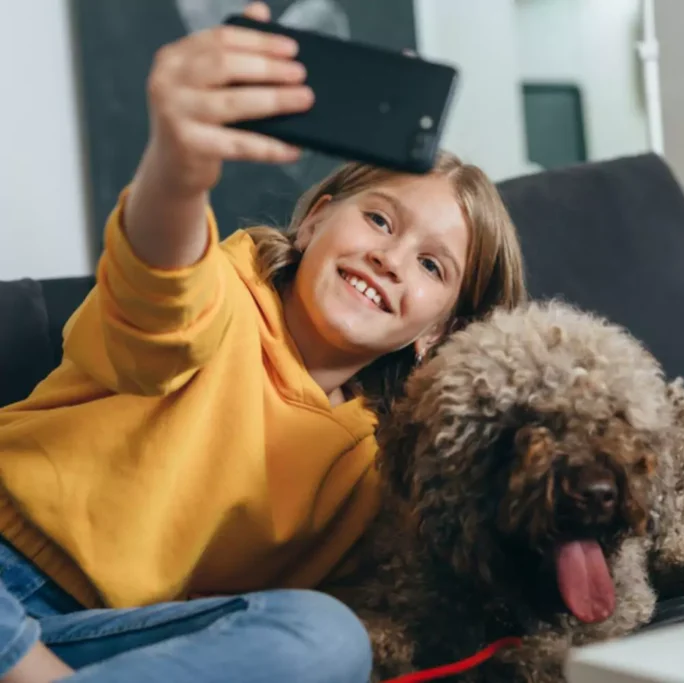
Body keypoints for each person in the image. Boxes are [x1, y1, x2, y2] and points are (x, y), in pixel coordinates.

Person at [0, 3, 526, 682]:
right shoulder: (221, 291)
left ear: (438, 331)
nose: (391, 258)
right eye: (377, 218)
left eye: (432, 266)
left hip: (113, 641)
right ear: (312, 220)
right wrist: (181, 165)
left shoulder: (376, 463)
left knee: (328, 637)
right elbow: (164, 283)